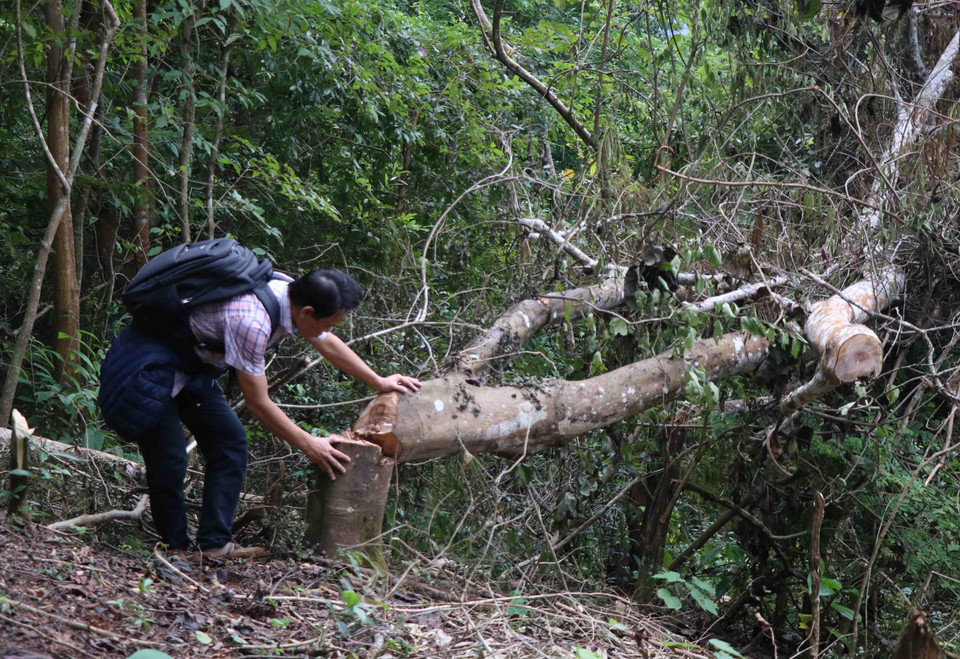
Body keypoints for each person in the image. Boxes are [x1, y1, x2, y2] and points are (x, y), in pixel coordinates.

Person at [100, 268, 421, 559]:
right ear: (307, 312)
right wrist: (309, 443)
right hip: (146, 370)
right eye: (325, 323)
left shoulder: (288, 290)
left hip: (192, 366)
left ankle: (213, 544)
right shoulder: (251, 321)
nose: (325, 331)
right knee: (169, 459)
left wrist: (378, 381)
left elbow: (326, 342)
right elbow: (258, 402)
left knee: (230, 443)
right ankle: (175, 549)